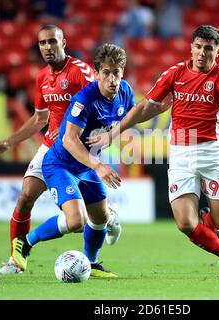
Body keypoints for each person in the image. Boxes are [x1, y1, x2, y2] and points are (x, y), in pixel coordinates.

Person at [88, 25, 219, 279]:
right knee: (184, 223)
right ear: (191, 47)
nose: (202, 53)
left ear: (218, 50)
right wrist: (111, 134)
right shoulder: (175, 74)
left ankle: (209, 222)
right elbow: (143, 108)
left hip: (211, 152)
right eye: (198, 47)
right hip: (180, 152)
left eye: (208, 48)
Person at [0, 25, 121, 274]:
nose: (47, 47)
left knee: (91, 218)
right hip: (51, 149)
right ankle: (16, 261)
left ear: (63, 42)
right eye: (43, 43)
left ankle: (101, 234)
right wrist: (8, 142)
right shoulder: (42, 76)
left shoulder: (81, 72)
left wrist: (71, 129)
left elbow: (96, 102)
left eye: (52, 42)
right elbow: (39, 119)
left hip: (76, 147)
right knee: (26, 196)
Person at [11, 43, 134, 277]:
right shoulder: (84, 99)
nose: (112, 79)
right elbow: (69, 140)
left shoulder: (126, 92)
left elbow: (130, 117)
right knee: (77, 221)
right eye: (106, 73)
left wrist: (111, 136)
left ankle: (92, 262)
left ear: (122, 73)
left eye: (116, 72)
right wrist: (98, 166)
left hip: (85, 166)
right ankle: (25, 242)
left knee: (100, 217)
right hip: (61, 164)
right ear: (96, 73)